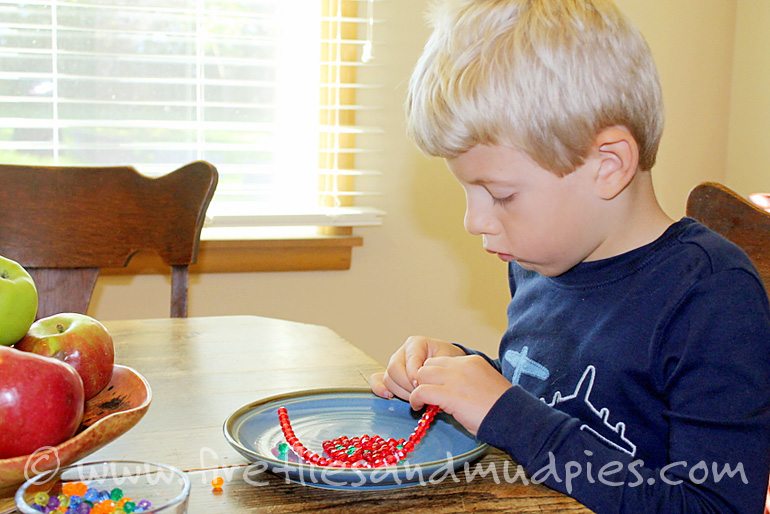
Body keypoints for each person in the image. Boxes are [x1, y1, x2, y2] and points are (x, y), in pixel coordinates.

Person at [369, 1, 770, 512]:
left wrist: (505, 410)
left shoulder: (711, 294)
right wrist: (465, 374)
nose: (474, 222)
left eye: (501, 194)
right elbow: (561, 402)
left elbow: (716, 505)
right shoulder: (539, 261)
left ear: (608, 166)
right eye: (468, 191)